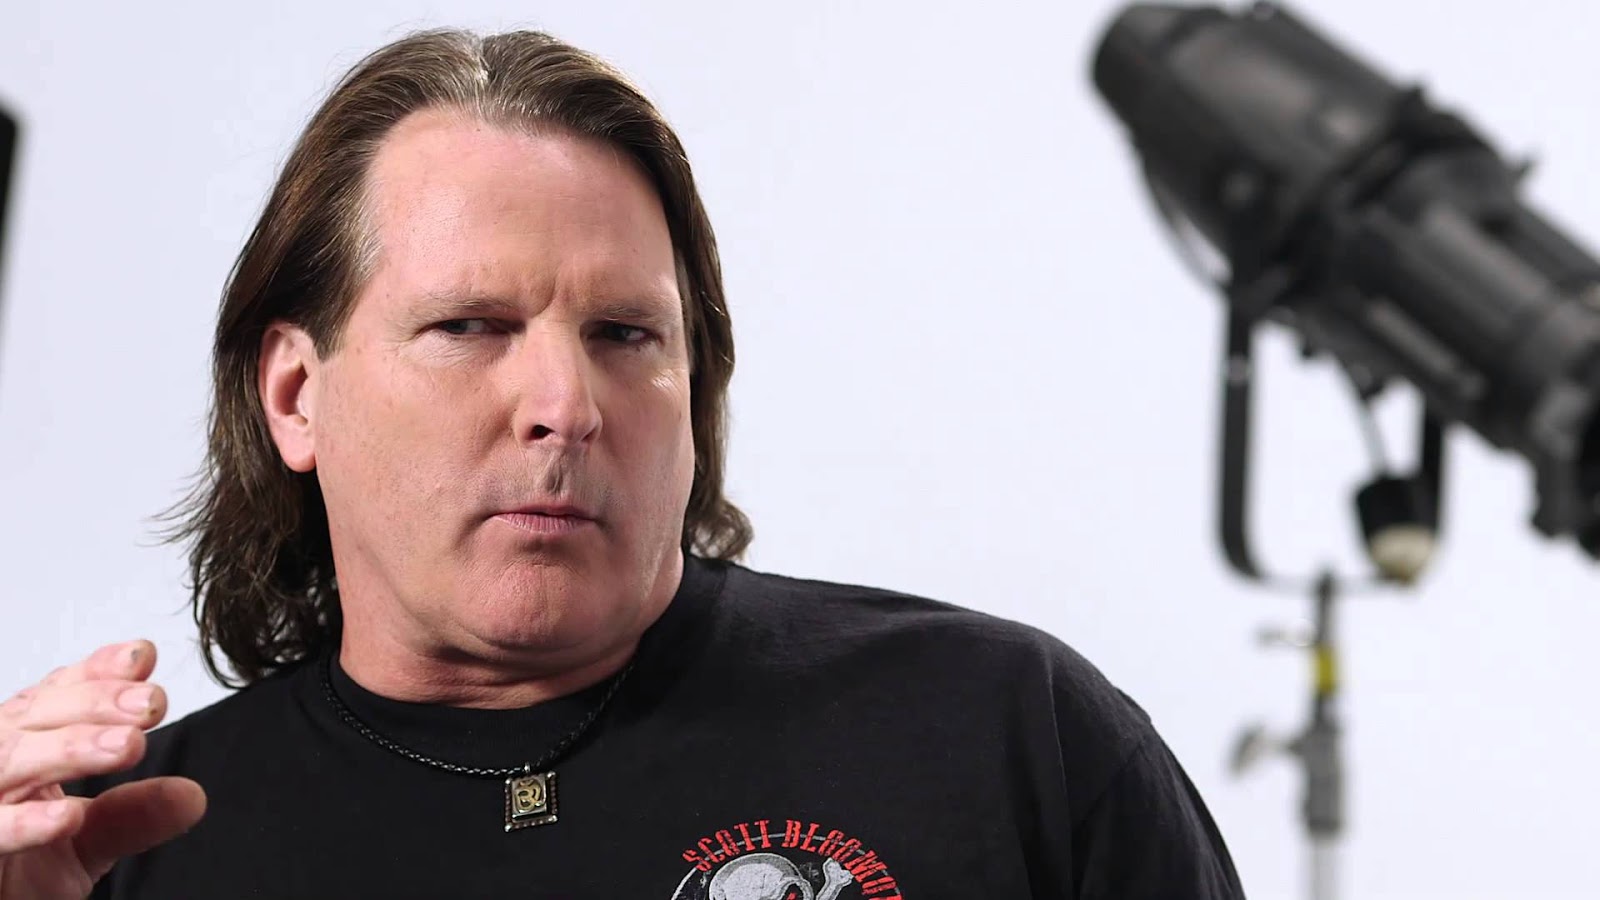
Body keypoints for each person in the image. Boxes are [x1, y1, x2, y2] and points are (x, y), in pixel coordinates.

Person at [0, 28, 1246, 899]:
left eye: (625, 335)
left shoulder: (1009, 736)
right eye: (469, 327)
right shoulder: (117, 848)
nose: (565, 405)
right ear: (295, 395)